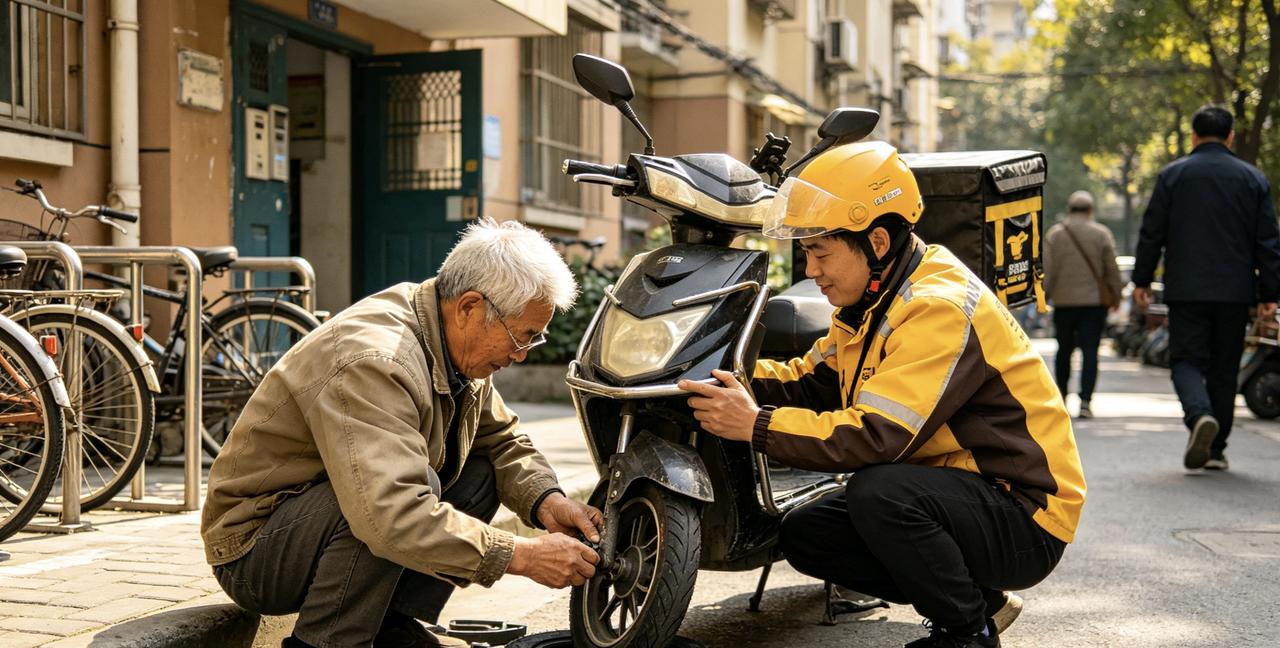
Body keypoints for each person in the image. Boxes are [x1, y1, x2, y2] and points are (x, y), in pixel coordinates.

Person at [677, 141, 1086, 647]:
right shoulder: (872, 302)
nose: (810, 270)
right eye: (806, 252)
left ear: (876, 241)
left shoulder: (938, 307)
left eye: (821, 252)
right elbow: (812, 380)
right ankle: (981, 600)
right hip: (958, 494)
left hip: (1023, 516)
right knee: (806, 534)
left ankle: (967, 632)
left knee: (881, 492)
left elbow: (878, 436)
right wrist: (719, 372)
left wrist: (754, 424)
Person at [201, 219, 602, 648]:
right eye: (520, 337)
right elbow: (388, 513)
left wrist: (547, 501)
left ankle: (391, 625)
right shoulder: (376, 359)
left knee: (480, 472)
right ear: (469, 307)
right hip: (254, 551)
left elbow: (502, 440)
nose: (521, 355)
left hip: (315, 522)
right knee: (394, 495)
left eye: (533, 341)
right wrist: (520, 556)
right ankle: (326, 642)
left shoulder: (455, 339)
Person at [1133, 105, 1280, 472]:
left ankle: (1199, 416)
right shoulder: (1253, 179)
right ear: (1230, 137)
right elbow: (1269, 242)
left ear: (1194, 136)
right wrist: (1270, 294)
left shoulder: (1173, 176)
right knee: (1224, 367)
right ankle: (1215, 450)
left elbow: (1153, 233)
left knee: (1185, 360)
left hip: (1186, 289)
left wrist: (1142, 280)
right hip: (1236, 292)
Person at [1043, 190, 1124, 418]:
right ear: (1091, 210)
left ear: (1070, 209)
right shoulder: (1101, 233)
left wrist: (1044, 297)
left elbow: (1048, 270)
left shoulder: (1056, 234)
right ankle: (1086, 401)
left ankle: (1062, 397)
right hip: (1093, 304)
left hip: (1064, 303)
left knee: (1064, 351)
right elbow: (1112, 269)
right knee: (1090, 352)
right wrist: (1116, 296)